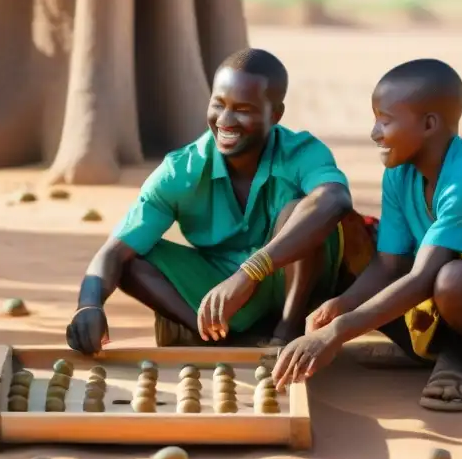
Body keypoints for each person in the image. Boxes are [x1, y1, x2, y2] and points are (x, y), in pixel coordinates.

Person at [272, 59, 462, 412]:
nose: (374, 133)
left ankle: (453, 358)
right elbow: (389, 264)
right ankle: (433, 347)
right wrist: (343, 305)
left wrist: (338, 331)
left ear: (429, 124)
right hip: (441, 295)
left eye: (385, 120)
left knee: (452, 277)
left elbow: (422, 278)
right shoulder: (400, 172)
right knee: (352, 239)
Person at [66, 48, 378, 355]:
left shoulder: (301, 152)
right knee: (131, 260)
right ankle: (212, 336)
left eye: (243, 109)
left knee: (298, 211)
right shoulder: (181, 171)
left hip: (299, 284)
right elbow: (113, 251)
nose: (225, 120)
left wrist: (251, 271)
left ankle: (286, 332)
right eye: (219, 104)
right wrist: (89, 305)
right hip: (221, 284)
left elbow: (335, 199)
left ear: (275, 115)